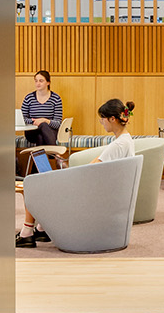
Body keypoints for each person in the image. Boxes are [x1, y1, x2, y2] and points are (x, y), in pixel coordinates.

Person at [19, 97, 135, 246]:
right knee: (44, 183)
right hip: (105, 191)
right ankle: (41, 228)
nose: (102, 123)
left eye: (102, 119)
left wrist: (66, 172)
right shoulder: (125, 140)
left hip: (95, 195)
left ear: (112, 119)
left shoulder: (118, 145)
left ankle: (27, 233)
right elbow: (98, 164)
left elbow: (89, 170)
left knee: (33, 187)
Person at [20, 70, 63, 174]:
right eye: (36, 81)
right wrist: (34, 121)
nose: (37, 83)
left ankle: (36, 173)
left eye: (41, 81)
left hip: (50, 133)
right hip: (31, 132)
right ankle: (56, 156)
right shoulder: (29, 98)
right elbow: (22, 119)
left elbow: (57, 123)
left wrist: (45, 121)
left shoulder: (56, 99)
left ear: (48, 82)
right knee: (40, 129)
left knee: (41, 136)